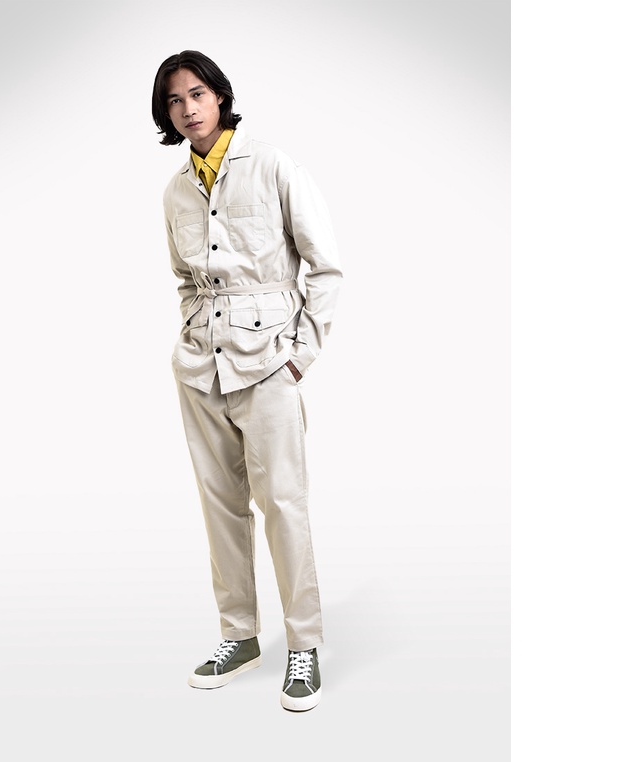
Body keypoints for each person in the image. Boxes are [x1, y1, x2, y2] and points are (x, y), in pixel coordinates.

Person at [151, 50, 342, 712]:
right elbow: (185, 278)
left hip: (268, 363)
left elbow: (325, 266)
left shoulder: (274, 165)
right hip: (200, 366)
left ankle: (304, 643)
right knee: (220, 506)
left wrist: (300, 355)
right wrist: (190, 334)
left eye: (197, 94)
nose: (188, 108)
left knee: (282, 503)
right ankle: (239, 635)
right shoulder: (176, 190)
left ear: (220, 97)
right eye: (174, 100)